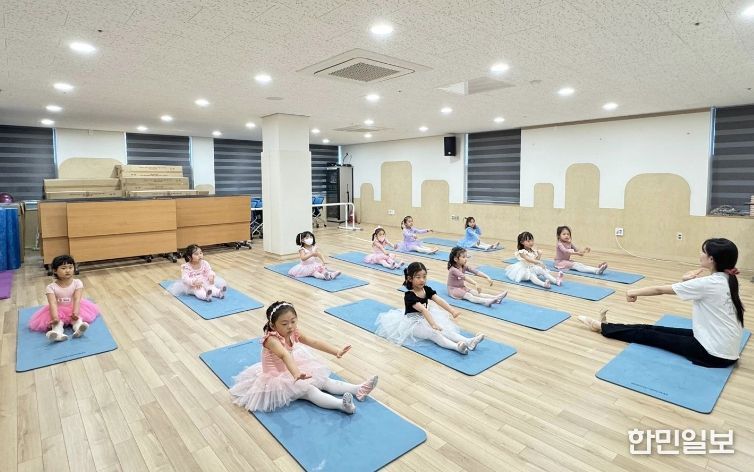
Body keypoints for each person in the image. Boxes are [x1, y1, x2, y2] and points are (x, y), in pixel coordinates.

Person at [577, 238, 745, 368]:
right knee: (652, 328)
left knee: (647, 335)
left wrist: (632, 292)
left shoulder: (708, 283)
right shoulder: (728, 279)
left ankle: (601, 327)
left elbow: (660, 290)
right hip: (722, 348)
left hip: (712, 354)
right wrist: (686, 281)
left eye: (703, 251)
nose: (700, 254)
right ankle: (608, 327)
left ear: (711, 259)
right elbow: (703, 292)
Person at [230, 301, 378, 413]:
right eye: (284, 323)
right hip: (277, 378)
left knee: (324, 381)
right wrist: (296, 373)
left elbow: (314, 342)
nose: (290, 326)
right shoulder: (271, 340)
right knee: (309, 391)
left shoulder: (293, 332)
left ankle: (358, 389)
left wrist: (336, 351)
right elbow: (284, 355)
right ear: (273, 326)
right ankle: (342, 405)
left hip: (293, 369)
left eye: (293, 321)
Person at [376, 262, 485, 354]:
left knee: (445, 329)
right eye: (418, 277)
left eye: (424, 276)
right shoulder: (409, 296)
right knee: (434, 334)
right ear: (410, 279)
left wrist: (452, 311)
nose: (422, 280)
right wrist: (433, 324)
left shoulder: (426, 289)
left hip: (426, 318)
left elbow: (439, 300)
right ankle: (457, 347)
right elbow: (423, 310)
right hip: (413, 323)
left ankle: (469, 341)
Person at [28, 255, 99, 341]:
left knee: (77, 319)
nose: (68, 270)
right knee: (57, 323)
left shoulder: (77, 283)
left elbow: (77, 299)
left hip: (74, 306)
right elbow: (53, 303)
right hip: (58, 309)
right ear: (55, 270)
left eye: (70, 267)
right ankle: (57, 334)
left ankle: (79, 329)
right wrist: (55, 317)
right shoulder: (51, 287)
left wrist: (76, 311)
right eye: (63, 268)